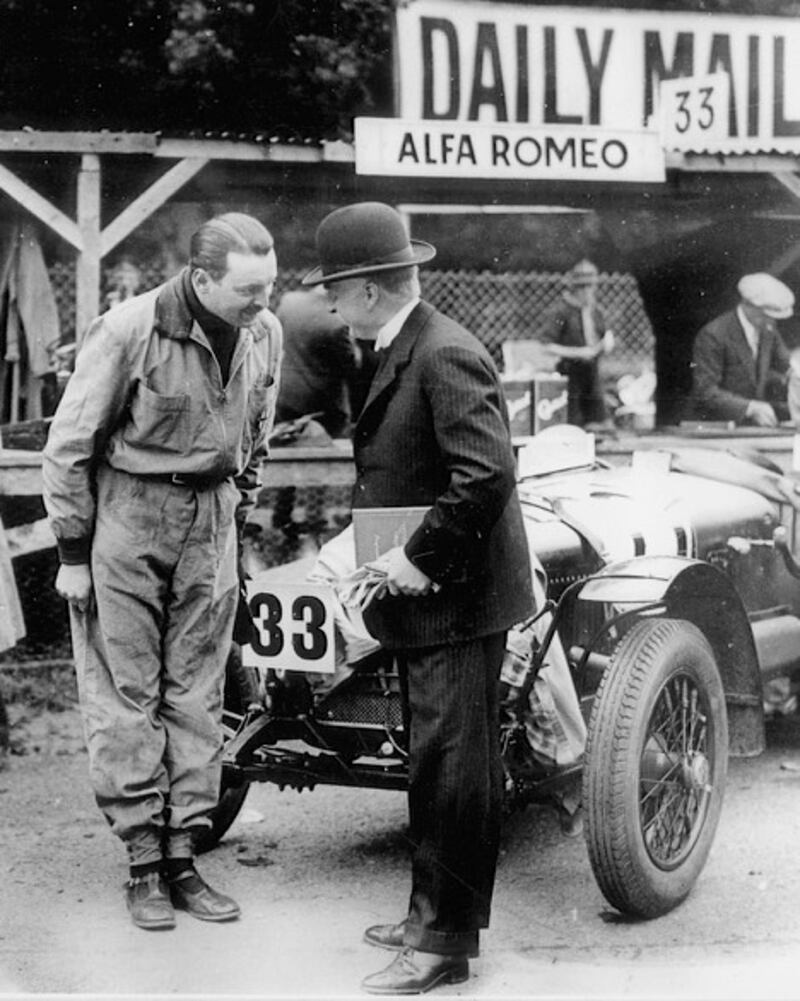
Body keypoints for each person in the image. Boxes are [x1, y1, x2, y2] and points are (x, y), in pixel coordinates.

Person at [303, 202, 535, 995]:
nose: (331, 307)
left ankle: (444, 945)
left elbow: (486, 474)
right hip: (428, 597)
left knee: (452, 771)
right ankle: (427, 916)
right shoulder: (402, 344)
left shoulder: (443, 353)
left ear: (367, 289)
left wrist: (416, 558)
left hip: (456, 599)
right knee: (434, 762)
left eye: (335, 291)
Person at [41, 213, 282, 931]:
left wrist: (236, 517)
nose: (261, 303)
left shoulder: (265, 332)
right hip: (129, 519)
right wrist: (74, 556)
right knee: (126, 694)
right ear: (201, 279)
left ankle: (184, 853)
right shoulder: (126, 331)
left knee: (199, 693)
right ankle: (144, 860)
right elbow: (68, 448)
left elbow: (258, 431)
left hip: (212, 520)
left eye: (269, 286)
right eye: (247, 289)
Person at [690, 272, 794, 426]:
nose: (771, 321)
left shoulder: (768, 329)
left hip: (752, 428)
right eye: (766, 315)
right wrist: (750, 408)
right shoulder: (713, 334)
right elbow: (705, 393)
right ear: (748, 305)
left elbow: (788, 366)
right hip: (715, 428)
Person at [536, 258, 614, 426]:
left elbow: (604, 334)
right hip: (569, 371)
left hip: (592, 371)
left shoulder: (595, 310)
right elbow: (545, 345)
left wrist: (608, 342)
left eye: (590, 287)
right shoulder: (562, 311)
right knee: (572, 421)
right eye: (581, 287)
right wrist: (578, 352)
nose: (587, 292)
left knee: (600, 421)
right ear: (574, 288)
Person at [275, 283, 360, 438]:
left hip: (283, 399)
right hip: (322, 411)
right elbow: (353, 366)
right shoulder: (338, 322)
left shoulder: (289, 302)